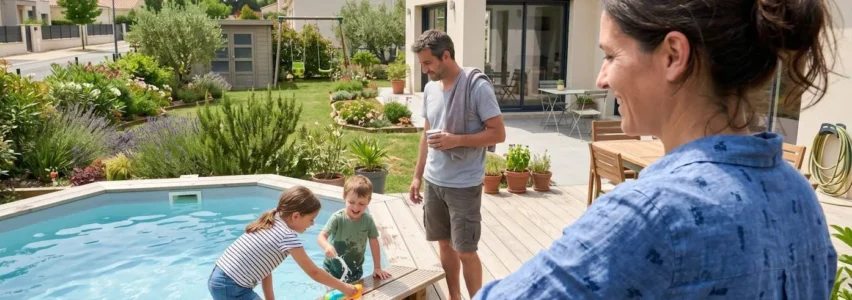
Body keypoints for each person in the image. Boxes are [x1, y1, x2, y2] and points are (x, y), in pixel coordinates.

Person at [474, 0, 838, 298]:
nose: (602, 78)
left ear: (673, 55)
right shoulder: (797, 193)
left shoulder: (652, 213)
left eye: (611, 55)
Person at [408, 29, 506, 300]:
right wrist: (417, 176)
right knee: (444, 244)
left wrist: (457, 140)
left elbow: (498, 133)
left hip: (463, 184)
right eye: (422, 64)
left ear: (446, 56)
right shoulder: (430, 89)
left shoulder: (477, 87)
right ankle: (454, 297)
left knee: (465, 250)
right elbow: (425, 136)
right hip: (434, 181)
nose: (424, 70)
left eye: (428, 63)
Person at [208, 186, 359, 300]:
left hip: (220, 278)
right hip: (232, 286)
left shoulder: (275, 218)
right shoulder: (287, 237)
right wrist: (344, 287)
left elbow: (264, 268)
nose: (312, 224)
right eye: (311, 219)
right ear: (295, 216)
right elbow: (314, 272)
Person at [318, 175, 392, 282]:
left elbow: (374, 243)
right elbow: (321, 236)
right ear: (344, 197)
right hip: (331, 271)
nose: (356, 207)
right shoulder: (338, 218)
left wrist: (377, 267)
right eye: (351, 202)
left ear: (369, 201)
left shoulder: (368, 221)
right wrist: (327, 246)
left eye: (361, 204)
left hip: (355, 272)